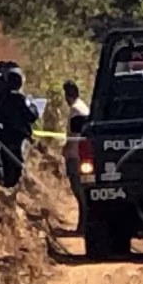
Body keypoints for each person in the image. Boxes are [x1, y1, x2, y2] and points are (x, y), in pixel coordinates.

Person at [0, 65, 40, 188]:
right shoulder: (20, 99)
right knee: (18, 164)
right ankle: (16, 187)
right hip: (18, 137)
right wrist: (33, 107)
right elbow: (31, 116)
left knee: (5, 161)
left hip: (3, 134)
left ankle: (5, 184)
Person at [63, 80, 91, 233]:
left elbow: (74, 135)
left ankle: (84, 226)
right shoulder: (82, 107)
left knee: (79, 190)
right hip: (80, 154)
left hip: (76, 155)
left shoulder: (76, 110)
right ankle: (82, 225)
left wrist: (66, 150)